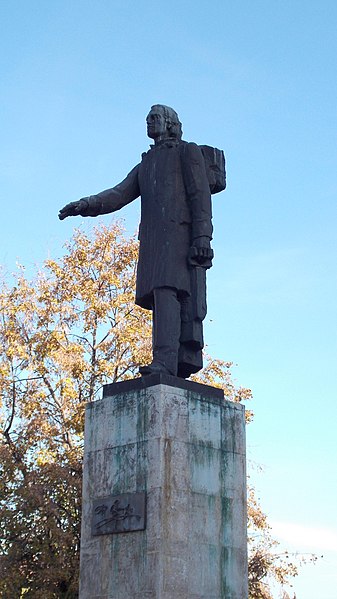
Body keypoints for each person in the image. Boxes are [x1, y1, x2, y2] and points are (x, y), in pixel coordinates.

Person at [59, 104, 225, 378]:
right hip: (154, 242)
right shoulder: (145, 164)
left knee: (169, 294)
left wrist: (202, 236)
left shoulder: (187, 151)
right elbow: (118, 194)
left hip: (181, 239)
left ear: (170, 123)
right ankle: (164, 361)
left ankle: (166, 361)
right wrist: (84, 205)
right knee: (161, 298)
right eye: (148, 119)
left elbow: (200, 196)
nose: (149, 122)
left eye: (155, 118)